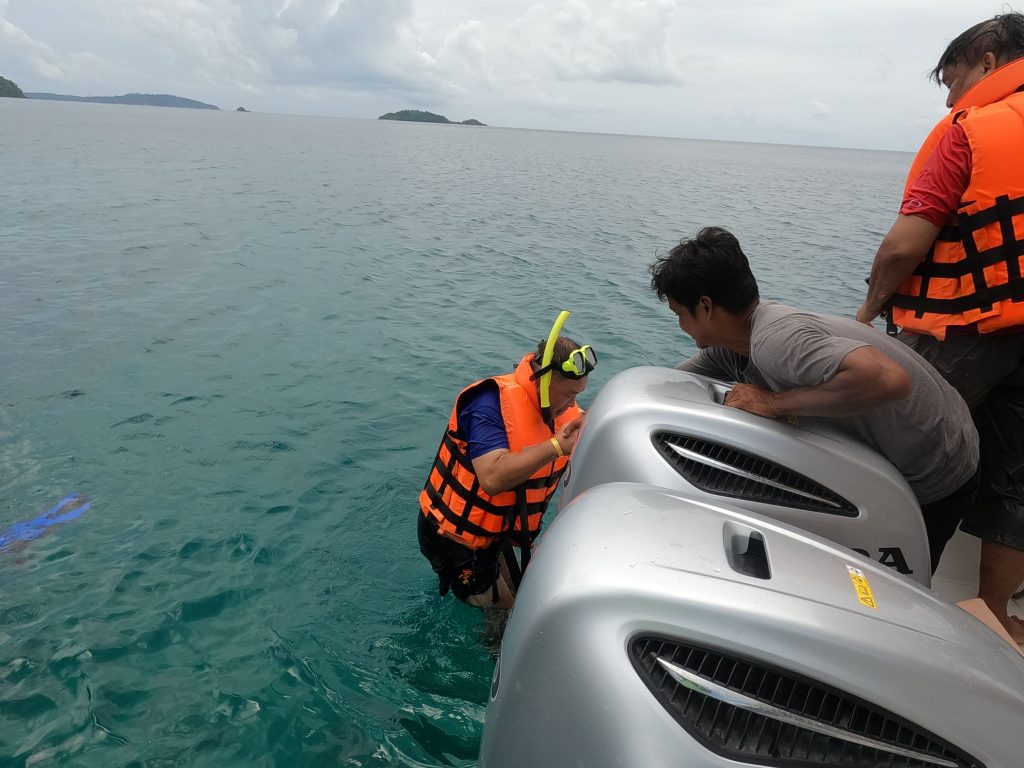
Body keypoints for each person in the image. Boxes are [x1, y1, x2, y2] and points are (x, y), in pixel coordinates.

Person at [650, 226, 980, 572]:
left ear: (705, 307)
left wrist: (774, 403)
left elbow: (889, 379)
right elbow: (672, 381)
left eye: (679, 315)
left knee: (894, 590)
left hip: (938, 468)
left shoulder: (775, 341)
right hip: (914, 451)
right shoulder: (732, 349)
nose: (681, 326)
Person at [856, 12, 1024, 642]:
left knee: (902, 443)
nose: (951, 96)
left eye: (950, 79)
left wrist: (868, 315)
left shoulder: (971, 130)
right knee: (1014, 476)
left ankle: (887, 592)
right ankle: (997, 618)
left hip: (969, 327)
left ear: (986, 56)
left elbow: (905, 246)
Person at [418, 334, 594, 609]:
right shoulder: (487, 403)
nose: (573, 404)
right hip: (452, 536)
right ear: (544, 380)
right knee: (505, 619)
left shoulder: (561, 414)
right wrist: (556, 447)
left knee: (525, 598)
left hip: (493, 534)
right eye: (570, 394)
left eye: (578, 395)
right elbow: (492, 477)